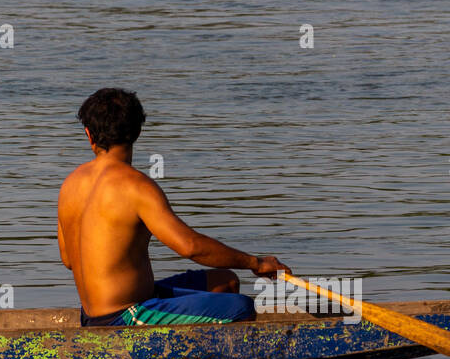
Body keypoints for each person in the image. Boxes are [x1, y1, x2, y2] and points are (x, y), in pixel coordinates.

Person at [58, 88, 287, 326]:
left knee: (225, 281)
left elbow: (68, 260)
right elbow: (190, 248)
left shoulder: (70, 184)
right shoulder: (136, 186)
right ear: (137, 131)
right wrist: (256, 263)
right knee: (241, 306)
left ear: (89, 135)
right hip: (123, 317)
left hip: (95, 314)